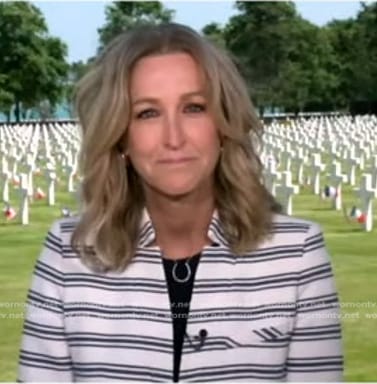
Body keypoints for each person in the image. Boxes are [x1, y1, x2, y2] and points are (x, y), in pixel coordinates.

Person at [18, 23, 343, 382]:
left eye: (194, 107)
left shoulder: (297, 255)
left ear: (223, 124)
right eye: (147, 113)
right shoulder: (69, 255)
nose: (174, 138)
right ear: (120, 137)